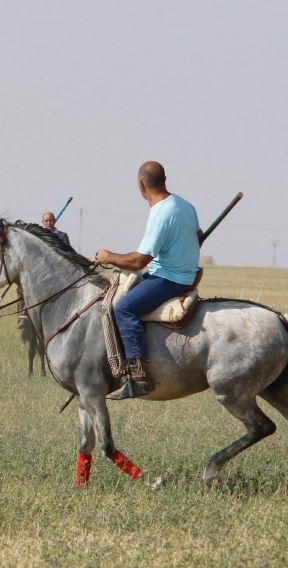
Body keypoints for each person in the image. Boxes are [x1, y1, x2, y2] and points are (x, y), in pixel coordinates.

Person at [95, 161, 201, 399]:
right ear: (165, 179)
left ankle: (139, 376)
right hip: (179, 272)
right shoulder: (185, 205)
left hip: (170, 278)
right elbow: (198, 236)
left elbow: (138, 261)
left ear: (140, 184)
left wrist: (108, 256)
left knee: (123, 308)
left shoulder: (161, 213)